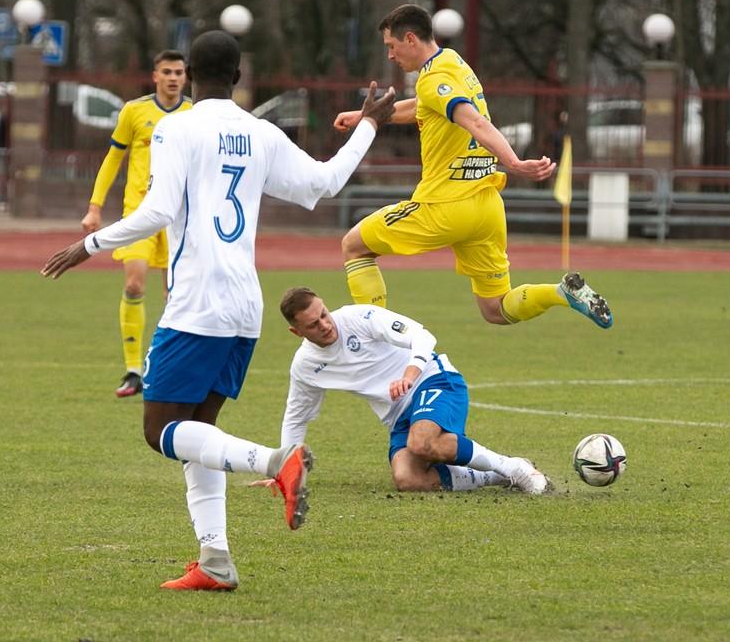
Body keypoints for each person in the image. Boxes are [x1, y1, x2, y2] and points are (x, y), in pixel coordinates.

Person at [41, 30, 397, 591]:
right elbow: (326, 183)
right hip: (244, 307)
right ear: (237, 77)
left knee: (160, 431)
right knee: (198, 433)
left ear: (191, 75)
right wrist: (371, 124)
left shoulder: (177, 127)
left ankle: (276, 462)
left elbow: (158, 210)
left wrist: (88, 244)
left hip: (196, 304)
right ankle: (215, 560)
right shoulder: (260, 132)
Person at [333, 4, 612, 330]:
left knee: (354, 247)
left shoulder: (431, 79)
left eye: (391, 46)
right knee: (496, 308)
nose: (391, 55)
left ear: (410, 38)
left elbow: (475, 121)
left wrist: (514, 163)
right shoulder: (453, 63)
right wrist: (365, 116)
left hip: (444, 206)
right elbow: (425, 106)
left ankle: (374, 337)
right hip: (486, 207)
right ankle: (562, 293)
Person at [273, 287, 548, 494]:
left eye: (323, 314)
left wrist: (409, 374)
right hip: (398, 417)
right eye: (313, 324)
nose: (325, 324)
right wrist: (288, 472)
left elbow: (422, 336)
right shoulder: (306, 366)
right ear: (297, 332)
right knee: (408, 479)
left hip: (433, 379)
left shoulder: (358, 317)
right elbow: (296, 418)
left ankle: (513, 468)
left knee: (422, 442)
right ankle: (495, 476)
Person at [81, 50, 191, 398]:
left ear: (186, 77)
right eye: (167, 72)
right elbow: (113, 159)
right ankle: (132, 371)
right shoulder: (134, 111)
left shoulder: (194, 114)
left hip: (180, 217)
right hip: (139, 213)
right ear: (155, 76)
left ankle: (163, 366)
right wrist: (95, 207)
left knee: (176, 295)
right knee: (133, 284)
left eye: (179, 72)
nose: (173, 78)